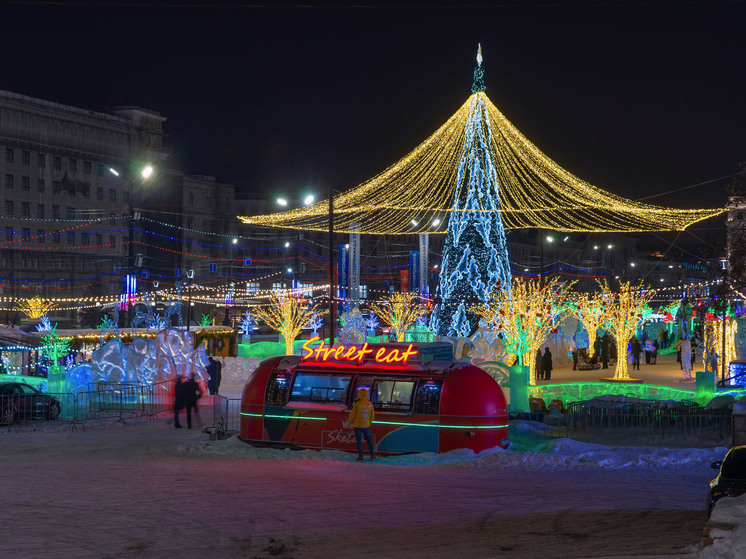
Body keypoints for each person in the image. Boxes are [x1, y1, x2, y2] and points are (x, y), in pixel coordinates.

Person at [346, 387, 376, 461]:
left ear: (359, 394)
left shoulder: (356, 403)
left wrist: (349, 422)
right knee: (369, 441)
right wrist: (369, 423)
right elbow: (372, 416)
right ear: (367, 395)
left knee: (359, 442)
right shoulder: (370, 404)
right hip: (366, 426)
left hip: (357, 426)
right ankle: (373, 456)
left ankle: (361, 456)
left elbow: (352, 414)